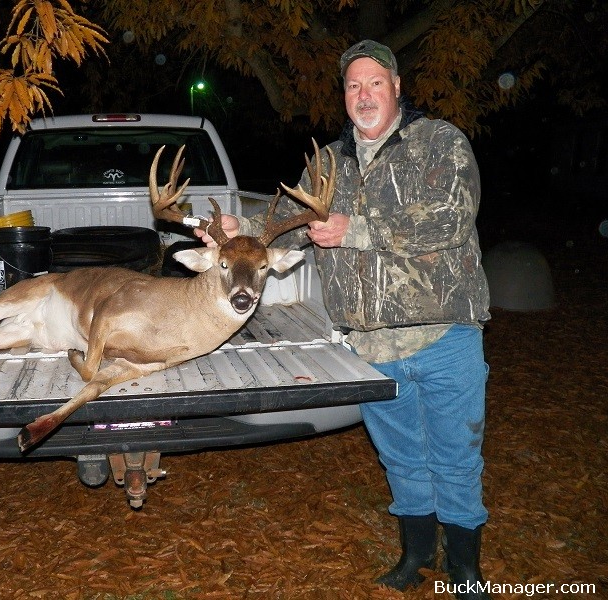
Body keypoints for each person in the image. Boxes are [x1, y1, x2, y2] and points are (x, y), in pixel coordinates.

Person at [196, 40, 491, 600]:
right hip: (369, 347)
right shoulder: (326, 162)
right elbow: (285, 218)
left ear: (397, 87)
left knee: (455, 455)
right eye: (354, 85)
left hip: (443, 334)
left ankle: (465, 571)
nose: (365, 94)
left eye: (375, 82)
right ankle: (415, 556)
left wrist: (354, 228)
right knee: (402, 457)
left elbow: (451, 219)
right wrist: (239, 229)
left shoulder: (439, 142)